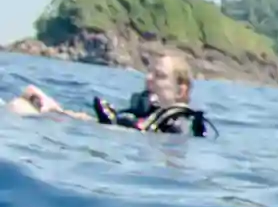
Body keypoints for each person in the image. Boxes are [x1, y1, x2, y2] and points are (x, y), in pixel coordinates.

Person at [8, 51, 212, 137]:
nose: (148, 79)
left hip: (86, 132)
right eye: (149, 72)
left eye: (159, 76)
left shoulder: (177, 126)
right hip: (82, 124)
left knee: (18, 107)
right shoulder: (154, 113)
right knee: (30, 91)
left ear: (181, 90)